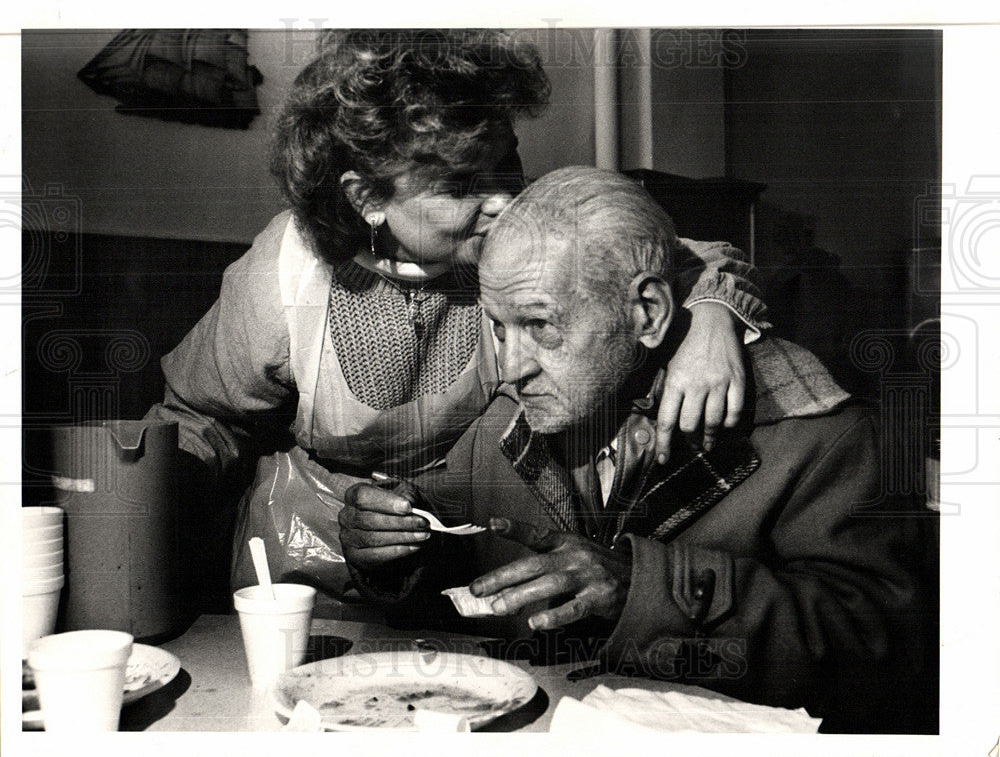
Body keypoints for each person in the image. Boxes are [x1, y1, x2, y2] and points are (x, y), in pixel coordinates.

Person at [145, 30, 768, 606]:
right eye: (462, 183)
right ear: (368, 199)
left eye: (508, 161)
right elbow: (200, 420)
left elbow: (675, 256)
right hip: (297, 568)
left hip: (475, 546)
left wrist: (712, 314)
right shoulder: (285, 272)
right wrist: (150, 502)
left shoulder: (519, 232)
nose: (504, 199)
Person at [338, 166, 929, 733]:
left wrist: (640, 589)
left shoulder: (813, 434)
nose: (510, 369)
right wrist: (393, 552)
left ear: (647, 312)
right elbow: (453, 598)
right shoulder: (506, 422)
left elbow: (881, 656)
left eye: (541, 325)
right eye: (498, 327)